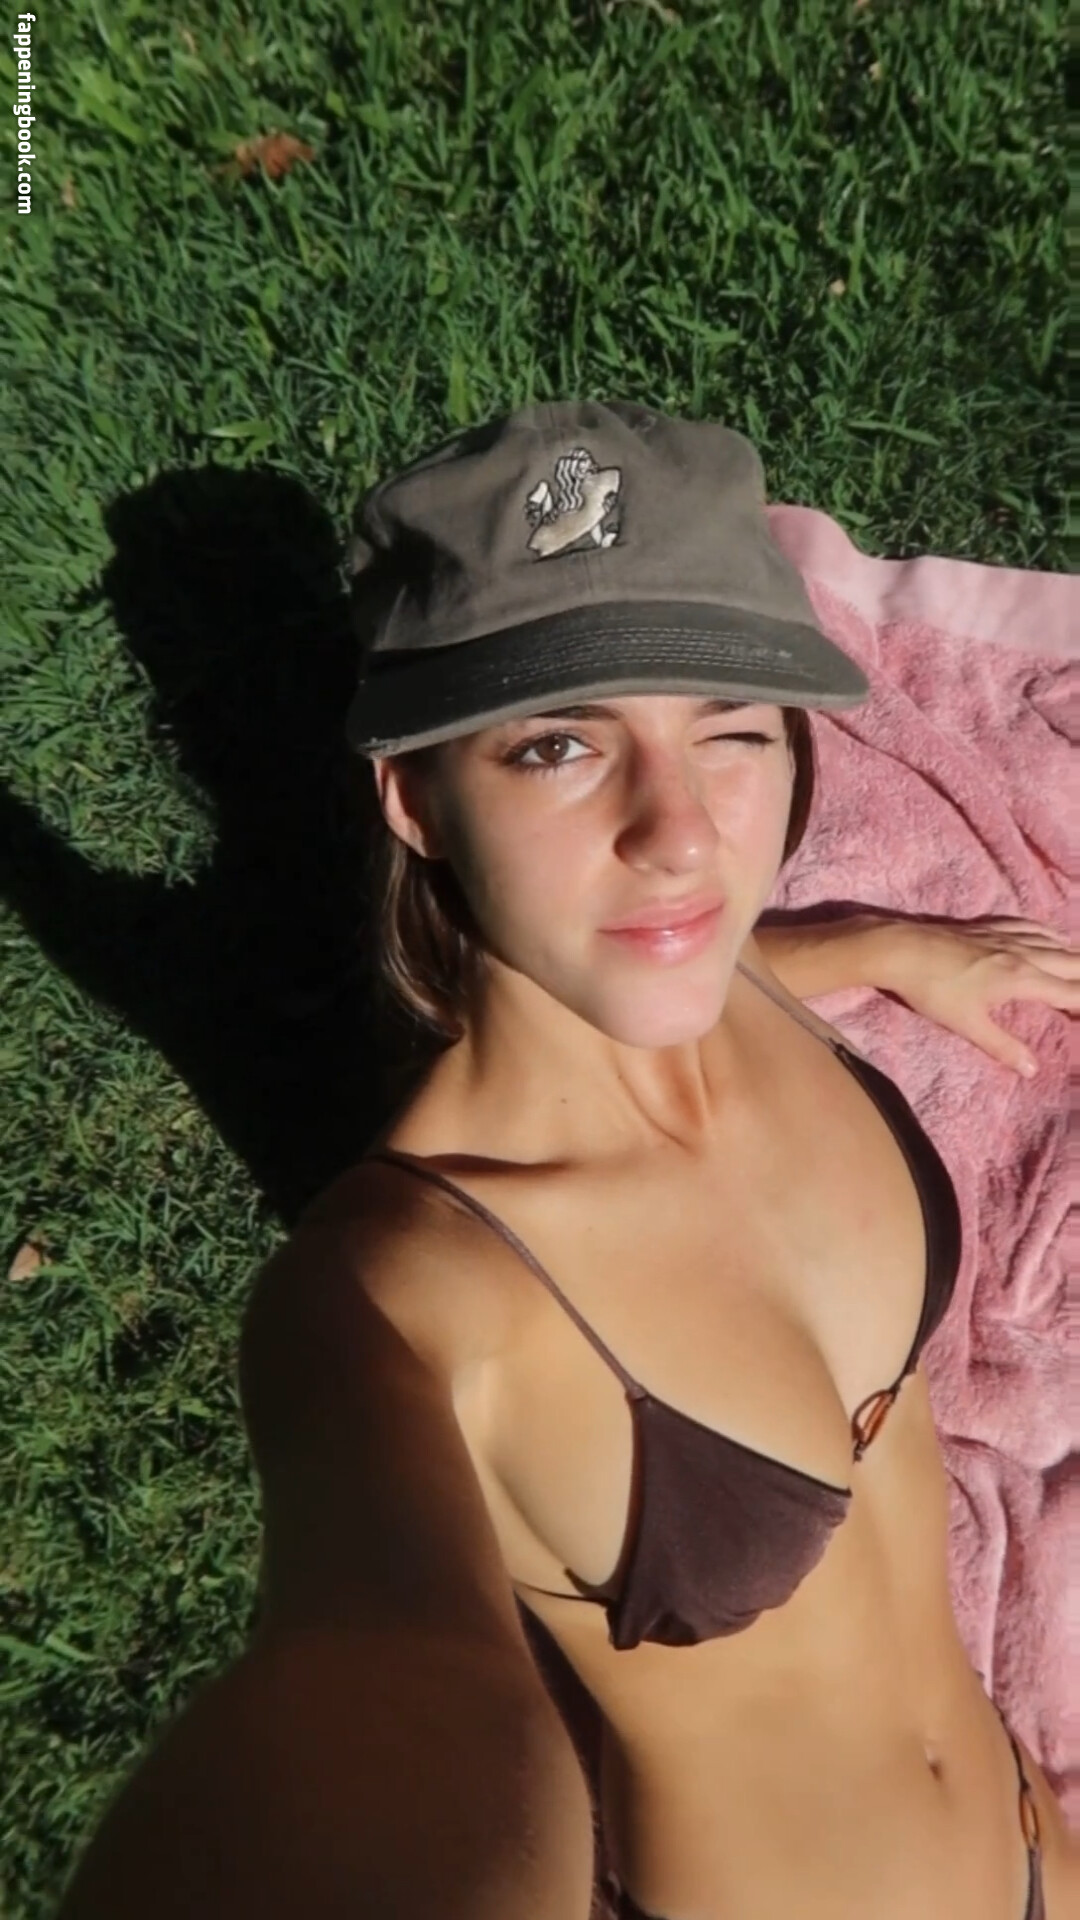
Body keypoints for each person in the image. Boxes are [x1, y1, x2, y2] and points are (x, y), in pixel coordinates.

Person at [55, 401, 1074, 1920]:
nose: (681, 839)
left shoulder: (711, 980)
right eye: (557, 745)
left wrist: (886, 942)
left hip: (1034, 1836)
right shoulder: (398, 1305)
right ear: (414, 798)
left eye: (730, 728)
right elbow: (380, 1701)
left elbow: (736, 964)